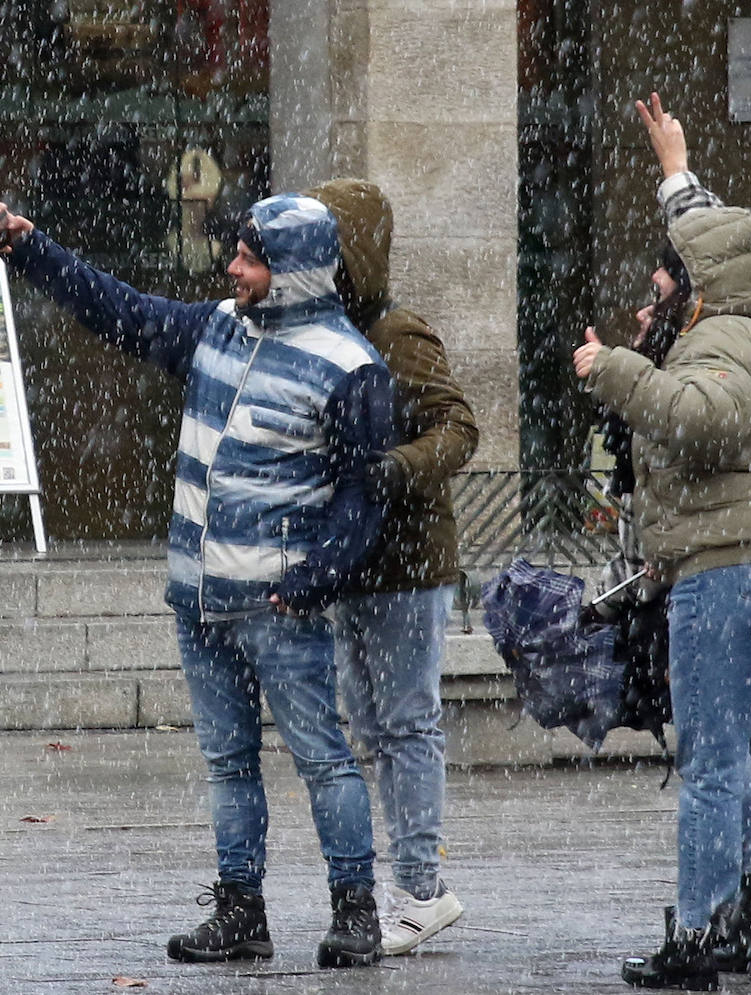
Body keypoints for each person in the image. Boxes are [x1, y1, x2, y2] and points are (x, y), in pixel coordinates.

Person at [0, 192, 396, 969]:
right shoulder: (220, 328)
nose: (232, 269)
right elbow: (122, 312)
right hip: (201, 599)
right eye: (236, 254)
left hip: (278, 605)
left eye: (250, 258)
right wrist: (35, 254)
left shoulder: (352, 367)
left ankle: (356, 910)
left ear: (298, 272)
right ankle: (241, 909)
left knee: (323, 757)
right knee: (229, 762)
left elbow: (362, 494)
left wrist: (312, 579)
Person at [573, 93, 751, 991]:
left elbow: (704, 421)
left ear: (695, 285)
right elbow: (711, 238)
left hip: (732, 575)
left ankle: (698, 936)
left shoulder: (721, 339)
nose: (655, 297)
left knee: (714, 764)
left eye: (663, 287)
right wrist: (675, 168)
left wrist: (616, 369)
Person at [592, 249, 751, 977]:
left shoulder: (707, 367)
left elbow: (691, 447)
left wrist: (675, 169)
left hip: (712, 575)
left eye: (659, 295)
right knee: (720, 751)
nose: (643, 309)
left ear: (692, 301)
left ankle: (736, 920)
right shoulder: (670, 369)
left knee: (718, 755)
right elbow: (628, 459)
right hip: (681, 571)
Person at [306, 178, 480, 955]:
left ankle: (420, 885)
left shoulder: (397, 331)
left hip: (407, 566)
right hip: (358, 564)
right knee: (374, 722)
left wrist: (394, 469)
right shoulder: (326, 329)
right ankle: (409, 879)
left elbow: (459, 425)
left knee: (405, 720)